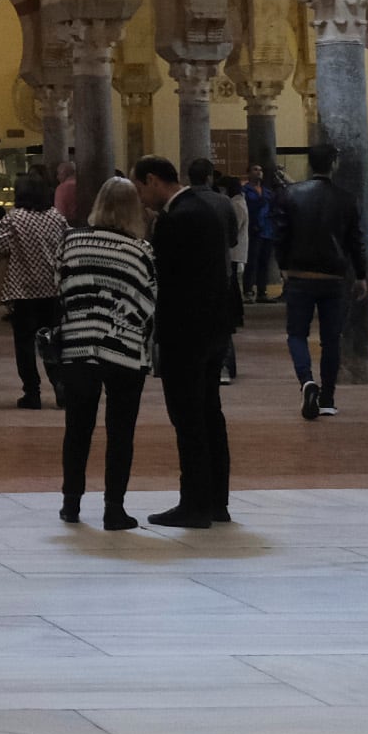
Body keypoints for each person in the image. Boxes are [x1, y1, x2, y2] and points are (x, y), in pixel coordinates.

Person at [136, 157, 234, 527]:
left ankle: (194, 504)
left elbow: (167, 281)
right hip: (212, 330)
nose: (142, 198)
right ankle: (216, 501)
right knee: (210, 414)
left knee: (189, 417)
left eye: (141, 188)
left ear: (152, 180)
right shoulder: (204, 209)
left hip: (186, 334)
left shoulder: (176, 218)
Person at [55, 176, 156, 530]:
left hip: (78, 344)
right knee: (120, 431)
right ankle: (114, 508)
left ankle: (71, 503)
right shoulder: (140, 250)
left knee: (77, 428)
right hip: (124, 351)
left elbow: (62, 287)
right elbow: (148, 301)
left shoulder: (72, 241)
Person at [281, 143, 367, 419]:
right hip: (333, 278)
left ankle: (307, 381)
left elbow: (280, 235)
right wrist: (361, 276)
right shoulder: (345, 198)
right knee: (332, 339)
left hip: (299, 276)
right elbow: (355, 241)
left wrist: (284, 266)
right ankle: (328, 397)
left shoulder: (291, 194)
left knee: (297, 334)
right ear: (334, 164)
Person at [0, 173, 69, 410]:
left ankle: (32, 392)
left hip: (23, 291)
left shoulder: (14, 219)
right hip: (53, 289)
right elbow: (68, 243)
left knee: (24, 345)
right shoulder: (56, 217)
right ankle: (60, 384)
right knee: (52, 340)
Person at [186, 158, 245, 382]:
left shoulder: (182, 202)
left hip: (189, 273)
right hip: (220, 271)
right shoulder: (223, 202)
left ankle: (194, 366)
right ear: (210, 177)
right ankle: (222, 367)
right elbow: (232, 239)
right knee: (221, 322)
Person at [243, 162, 284, 302]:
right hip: (254, 230)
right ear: (249, 173)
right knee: (252, 262)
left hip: (267, 230)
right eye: (255, 169)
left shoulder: (267, 192)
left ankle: (262, 291)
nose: (258, 172)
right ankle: (248, 290)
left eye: (260, 170)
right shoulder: (245, 191)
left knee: (264, 263)